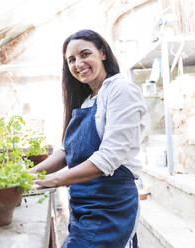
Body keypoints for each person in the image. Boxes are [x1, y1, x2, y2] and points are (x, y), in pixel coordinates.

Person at [29, 29, 146, 248]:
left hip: (111, 205)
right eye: (71, 59)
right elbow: (66, 151)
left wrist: (53, 181)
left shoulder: (121, 90)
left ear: (102, 53)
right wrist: (32, 173)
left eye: (84, 54)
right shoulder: (86, 101)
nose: (78, 63)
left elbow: (109, 158)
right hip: (83, 204)